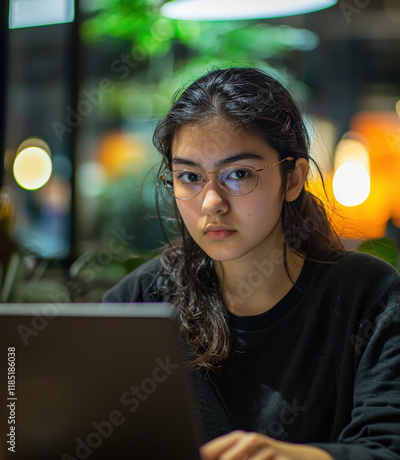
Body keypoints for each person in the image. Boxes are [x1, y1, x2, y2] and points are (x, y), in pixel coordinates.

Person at [103, 67, 400, 460]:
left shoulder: (368, 297)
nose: (211, 202)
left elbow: (387, 448)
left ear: (293, 179)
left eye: (238, 174)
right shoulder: (140, 301)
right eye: (189, 177)